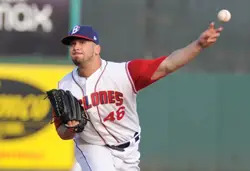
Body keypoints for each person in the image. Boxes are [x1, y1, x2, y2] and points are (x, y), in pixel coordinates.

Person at [53, 23, 223, 171]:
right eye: (72, 43)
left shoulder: (123, 73)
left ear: (97, 49)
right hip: (91, 146)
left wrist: (198, 45)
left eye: (82, 42)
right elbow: (62, 133)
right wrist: (70, 128)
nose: (76, 47)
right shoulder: (64, 86)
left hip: (129, 151)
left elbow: (168, 64)